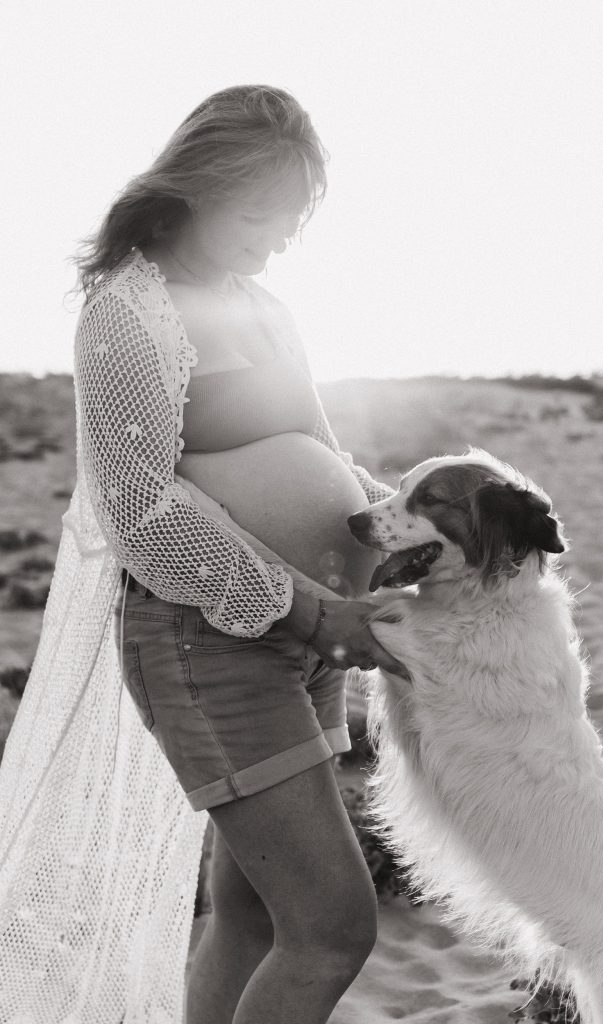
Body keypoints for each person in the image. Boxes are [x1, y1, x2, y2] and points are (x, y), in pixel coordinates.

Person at [68, 83, 407, 1024]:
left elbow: (324, 453)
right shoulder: (128, 313)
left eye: (291, 221)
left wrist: (418, 527)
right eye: (260, 214)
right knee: (331, 929)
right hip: (210, 642)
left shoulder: (261, 305)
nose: (278, 239)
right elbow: (139, 509)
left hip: (307, 641)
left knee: (252, 918)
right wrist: (312, 609)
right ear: (198, 186)